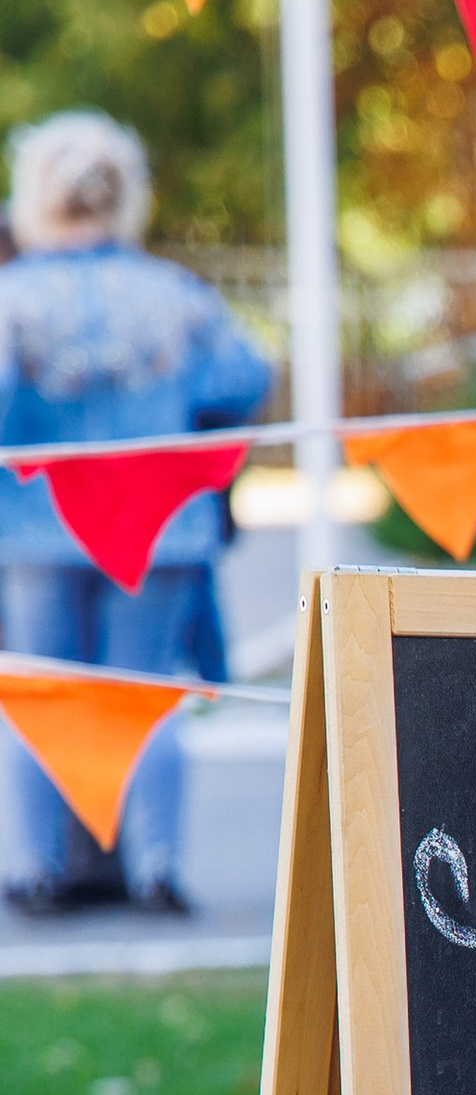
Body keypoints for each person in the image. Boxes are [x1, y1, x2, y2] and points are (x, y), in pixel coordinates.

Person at [0, 111, 269, 914]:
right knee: (144, 697)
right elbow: (244, 378)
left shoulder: (13, 300)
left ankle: (41, 869)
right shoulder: (175, 296)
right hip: (159, 531)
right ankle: (155, 868)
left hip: (36, 528)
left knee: (43, 697)